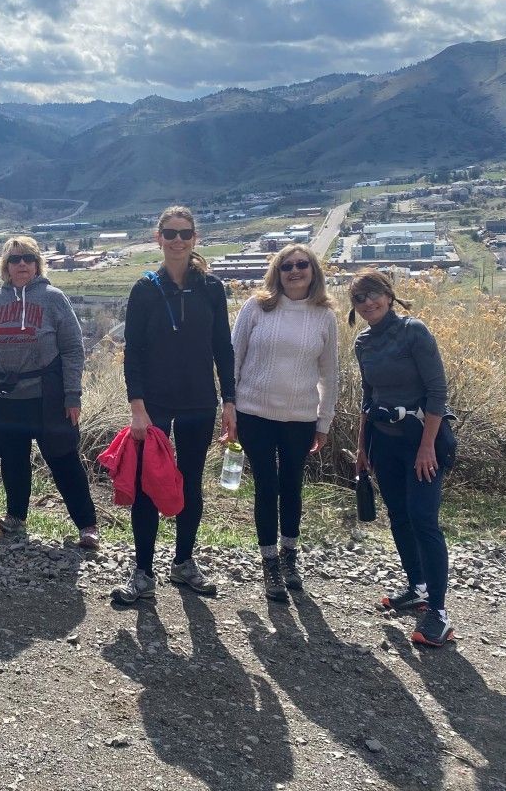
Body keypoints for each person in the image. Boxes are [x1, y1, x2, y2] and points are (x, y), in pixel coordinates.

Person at [112, 206, 236, 604]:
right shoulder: (144, 289)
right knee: (147, 483)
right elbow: (133, 353)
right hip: (154, 404)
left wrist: (229, 400)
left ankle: (183, 562)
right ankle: (143, 571)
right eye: (170, 233)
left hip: (199, 401)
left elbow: (223, 349)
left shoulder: (212, 288)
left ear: (195, 238)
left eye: (185, 233)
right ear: (158, 238)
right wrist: (137, 406)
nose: (177, 240)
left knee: (191, 482)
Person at [349, 269, 458, 647]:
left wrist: (427, 447)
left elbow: (437, 393)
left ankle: (438, 613)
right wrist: (361, 448)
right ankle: (417, 587)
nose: (367, 303)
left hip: (422, 441)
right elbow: (368, 398)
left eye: (373, 294)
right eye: (359, 298)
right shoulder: (363, 343)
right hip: (384, 442)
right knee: (399, 515)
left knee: (424, 520)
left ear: (389, 294)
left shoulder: (414, 331)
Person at [0, 236, 99, 547]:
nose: (22, 264)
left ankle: (87, 525)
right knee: (12, 459)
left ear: (37, 264)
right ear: (6, 266)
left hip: (47, 396)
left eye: (28, 258)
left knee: (63, 459)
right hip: (3, 397)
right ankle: (15, 517)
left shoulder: (53, 299)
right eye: (15, 259)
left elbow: (73, 349)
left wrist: (72, 395)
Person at [232, 243, 337, 602]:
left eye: (301, 265)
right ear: (276, 272)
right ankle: (269, 563)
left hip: (300, 417)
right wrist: (227, 409)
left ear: (313, 270)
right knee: (266, 486)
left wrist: (324, 421)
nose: (294, 271)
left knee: (292, 485)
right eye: (286, 266)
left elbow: (330, 374)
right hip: (254, 413)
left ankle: (290, 556)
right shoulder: (256, 307)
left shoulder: (324, 315)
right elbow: (233, 359)